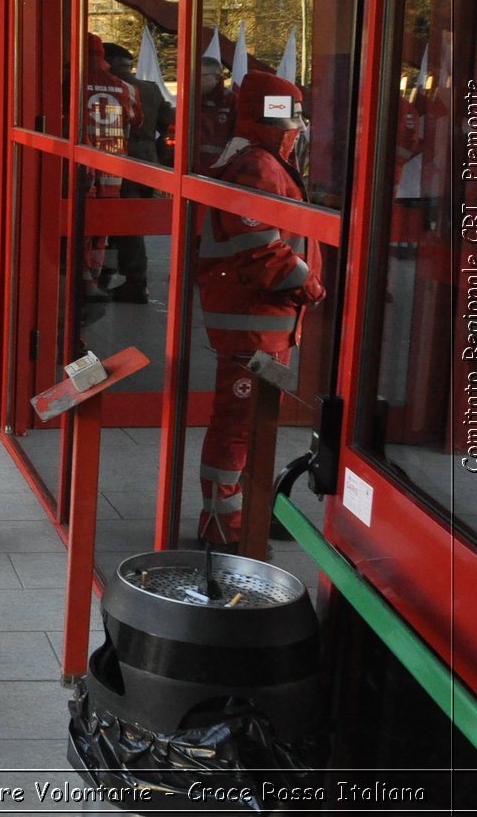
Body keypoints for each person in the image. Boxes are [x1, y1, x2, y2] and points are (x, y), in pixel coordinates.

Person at [195, 71, 324, 550]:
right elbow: (260, 249)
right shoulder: (258, 166)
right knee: (238, 423)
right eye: (292, 113)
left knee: (248, 423)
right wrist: (308, 285)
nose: (299, 124)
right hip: (255, 324)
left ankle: (235, 516)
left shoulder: (257, 160)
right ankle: (223, 525)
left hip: (262, 322)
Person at [101, 41, 166, 304]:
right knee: (131, 224)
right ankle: (129, 278)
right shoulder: (150, 89)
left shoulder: (115, 87)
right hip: (148, 162)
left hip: (121, 161)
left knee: (121, 225)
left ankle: (129, 280)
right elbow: (166, 124)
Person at [81, 33, 138, 300]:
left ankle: (81, 285)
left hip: (81, 174)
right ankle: (94, 282)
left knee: (77, 233)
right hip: (114, 175)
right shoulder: (126, 89)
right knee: (101, 235)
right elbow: (137, 121)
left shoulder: (68, 83)